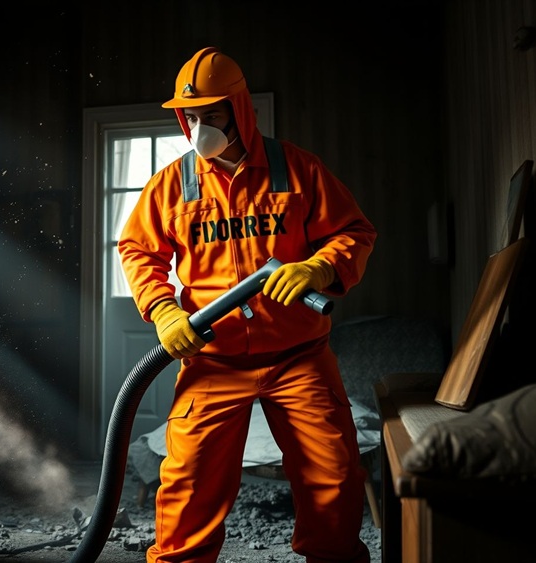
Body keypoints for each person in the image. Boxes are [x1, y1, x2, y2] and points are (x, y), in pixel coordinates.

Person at [118, 47, 377, 562]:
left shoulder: (297, 169)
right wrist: (164, 310)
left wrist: (318, 268)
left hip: (298, 357)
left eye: (211, 115)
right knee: (189, 484)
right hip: (213, 361)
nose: (199, 128)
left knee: (333, 476)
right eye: (190, 117)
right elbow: (138, 250)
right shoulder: (172, 185)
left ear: (239, 110)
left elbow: (353, 232)